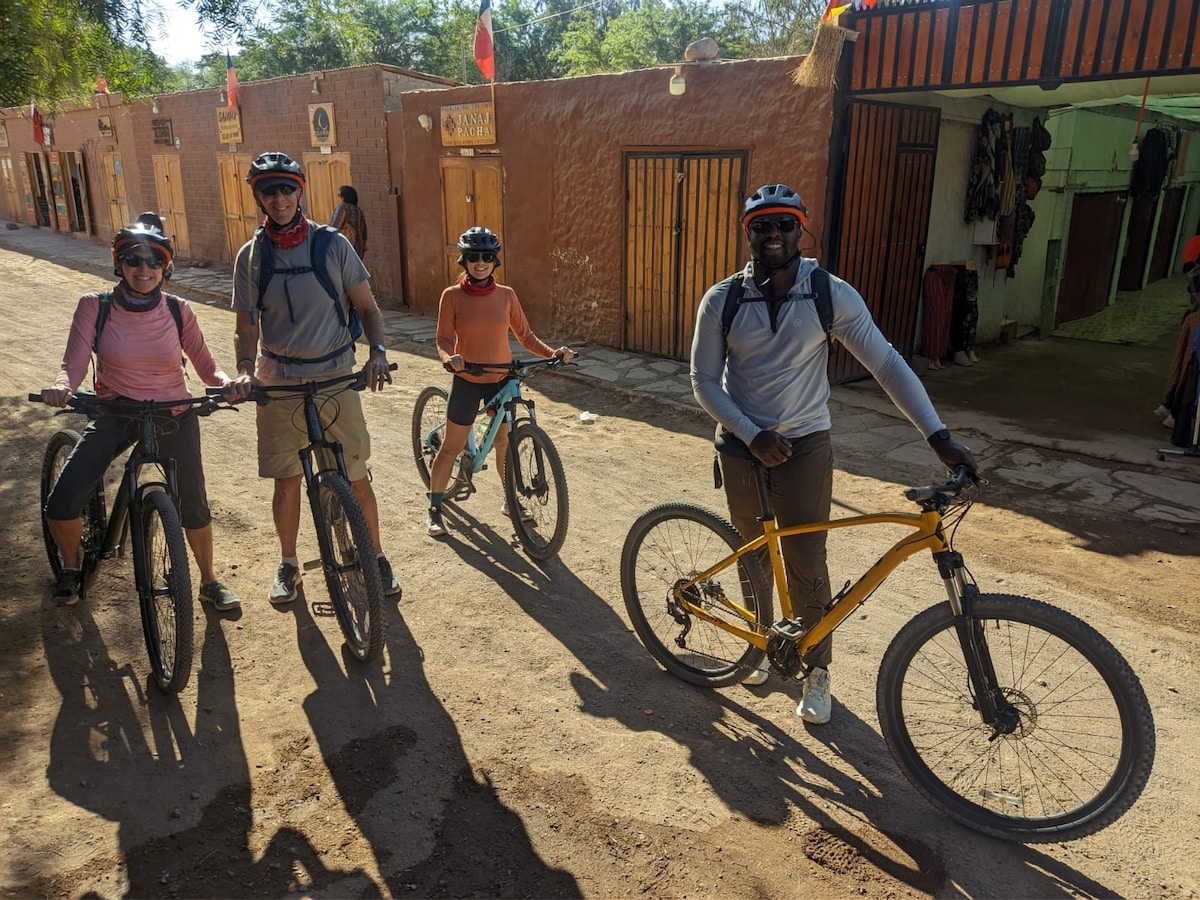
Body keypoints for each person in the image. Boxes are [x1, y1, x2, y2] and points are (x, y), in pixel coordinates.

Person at [690, 184, 978, 725]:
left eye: (784, 225)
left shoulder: (828, 293)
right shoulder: (723, 298)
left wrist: (937, 436)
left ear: (802, 229)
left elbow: (887, 364)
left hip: (805, 446)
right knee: (753, 552)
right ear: (747, 232)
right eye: (761, 226)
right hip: (742, 445)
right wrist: (752, 435)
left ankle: (815, 667)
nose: (772, 234)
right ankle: (757, 644)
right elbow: (703, 380)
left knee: (806, 563)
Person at [41, 219, 244, 611]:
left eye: (154, 260)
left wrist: (227, 384)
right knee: (63, 501)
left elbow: (207, 366)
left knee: (194, 503)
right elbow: (74, 364)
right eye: (133, 260)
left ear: (165, 267)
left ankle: (208, 580)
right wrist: (62, 386)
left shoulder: (177, 309)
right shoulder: (93, 307)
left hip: (173, 412)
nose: (144, 268)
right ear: (119, 264)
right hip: (117, 410)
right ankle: (70, 567)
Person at [231, 151, 401, 604]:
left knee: (356, 476)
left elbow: (368, 310)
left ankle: (377, 557)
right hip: (279, 381)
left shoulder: (332, 245)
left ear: (299, 190)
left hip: (333, 375)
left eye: (287, 188)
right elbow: (247, 326)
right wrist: (245, 371)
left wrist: (377, 353)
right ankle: (289, 565)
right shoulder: (250, 258)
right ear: (259, 197)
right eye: (270, 190)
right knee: (287, 480)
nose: (280, 198)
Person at [425, 226, 574, 537]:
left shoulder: (506, 295)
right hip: (468, 378)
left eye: (487, 257)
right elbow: (442, 339)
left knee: (504, 443)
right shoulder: (451, 297)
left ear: (495, 261)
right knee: (451, 447)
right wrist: (448, 358)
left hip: (501, 377)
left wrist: (553, 352)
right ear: (464, 261)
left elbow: (526, 336)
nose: (481, 262)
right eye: (475, 257)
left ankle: (510, 499)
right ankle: (435, 507)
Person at [329, 185, 367, 259]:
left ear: (344, 197)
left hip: (344, 247)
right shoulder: (358, 210)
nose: (338, 197)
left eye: (339, 195)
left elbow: (334, 227)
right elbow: (364, 232)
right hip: (358, 248)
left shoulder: (342, 208)